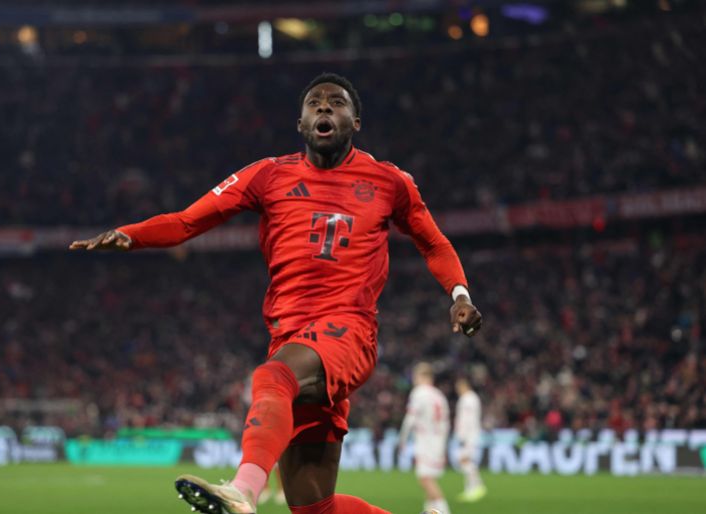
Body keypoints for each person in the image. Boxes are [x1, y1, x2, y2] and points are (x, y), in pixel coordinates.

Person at [70, 72, 483, 514]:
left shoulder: (389, 182)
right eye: (315, 103)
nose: (325, 107)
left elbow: (434, 243)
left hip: (348, 332)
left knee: (273, 377)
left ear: (356, 122)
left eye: (337, 102)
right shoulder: (269, 175)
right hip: (292, 336)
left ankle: (242, 492)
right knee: (312, 507)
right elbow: (187, 221)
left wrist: (459, 294)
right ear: (301, 123)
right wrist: (130, 235)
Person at [399, 363, 452, 514]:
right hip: (438, 441)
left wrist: (402, 439)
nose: (414, 380)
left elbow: (410, 419)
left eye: (416, 376)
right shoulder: (439, 395)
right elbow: (446, 423)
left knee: (425, 479)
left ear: (423, 377)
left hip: (425, 441)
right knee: (429, 478)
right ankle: (429, 511)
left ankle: (445, 511)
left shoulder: (419, 393)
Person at [454, 378, 486, 502]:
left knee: (464, 460)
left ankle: (477, 486)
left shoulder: (467, 399)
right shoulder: (473, 398)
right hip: (472, 434)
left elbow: (467, 419)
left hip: (468, 435)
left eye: (459, 387)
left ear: (464, 386)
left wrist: (463, 436)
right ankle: (470, 488)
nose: (457, 390)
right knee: (466, 461)